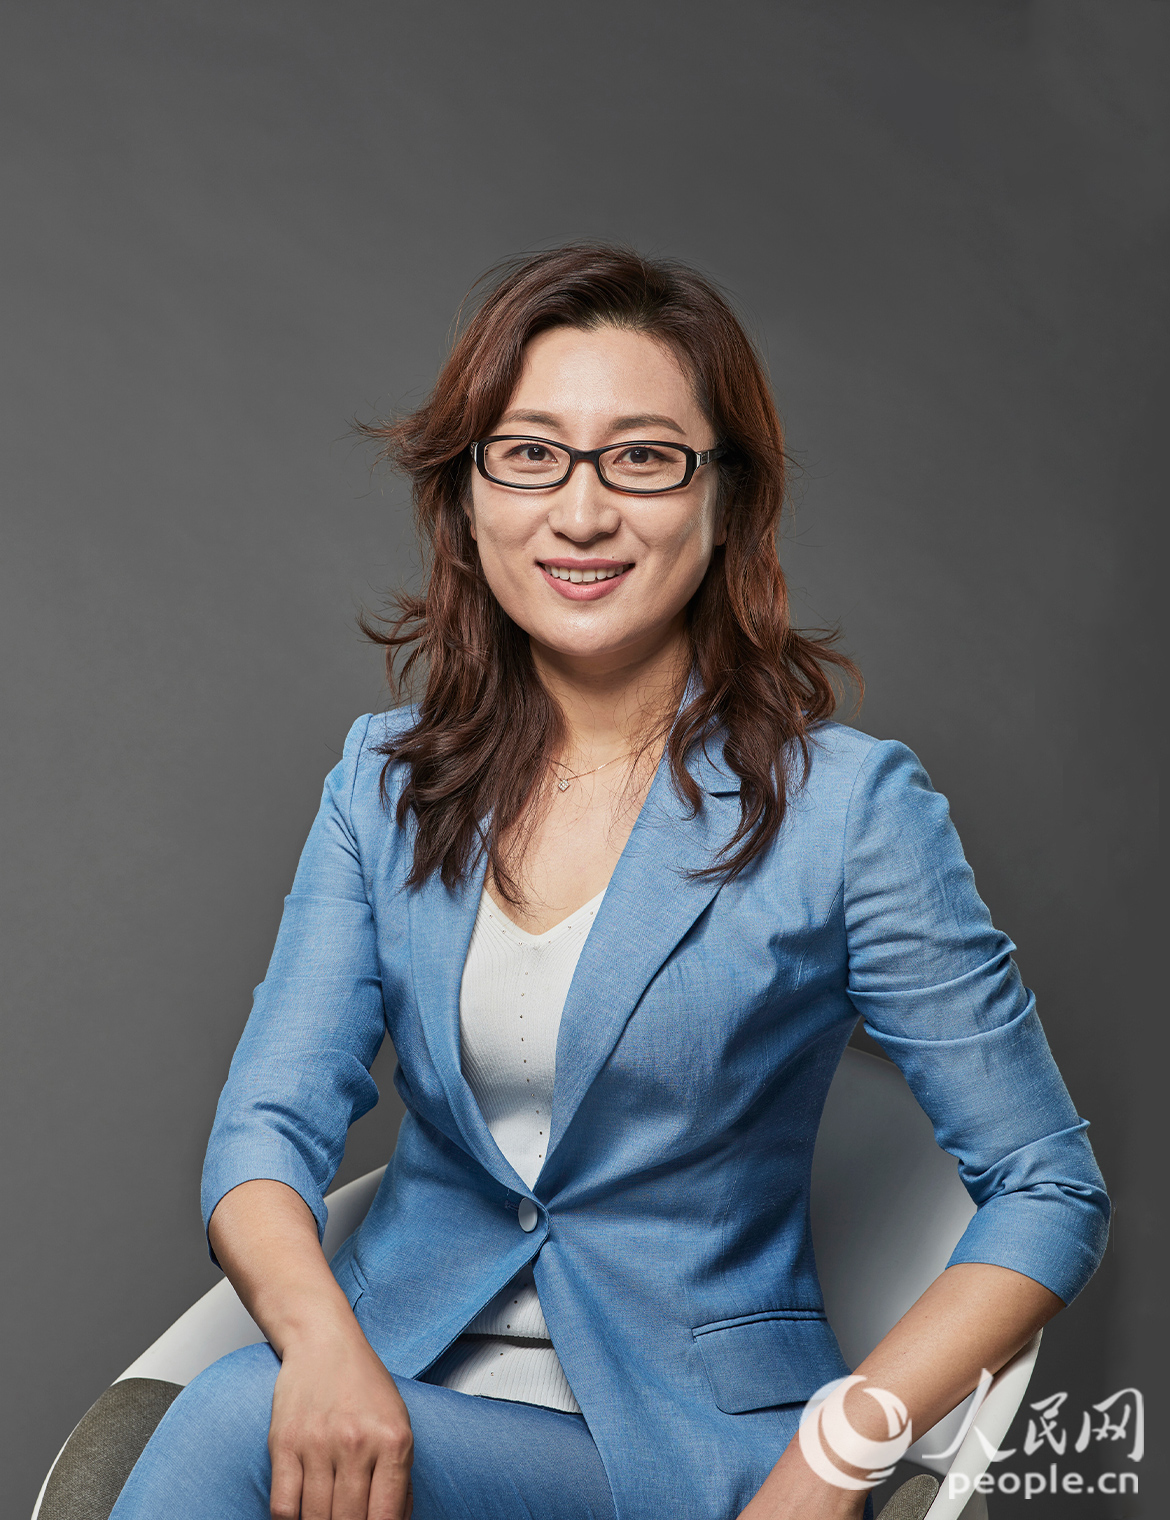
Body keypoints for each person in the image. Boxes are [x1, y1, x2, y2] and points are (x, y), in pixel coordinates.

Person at [111, 244, 1109, 1520]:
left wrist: (833, 1456)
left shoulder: (851, 809)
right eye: (530, 454)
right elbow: (265, 1127)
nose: (581, 514)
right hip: (389, 1382)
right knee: (249, 1409)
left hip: (679, 1452)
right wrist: (316, 1346)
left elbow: (1049, 1188)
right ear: (468, 497)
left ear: (726, 499)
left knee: (225, 1423)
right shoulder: (382, 780)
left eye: (642, 457)